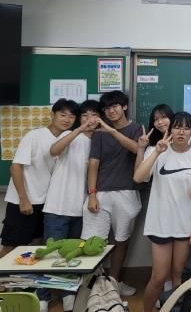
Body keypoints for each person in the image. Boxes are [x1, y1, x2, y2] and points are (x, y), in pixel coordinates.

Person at [134, 112, 191, 312]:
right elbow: (138, 177)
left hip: (185, 224)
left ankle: (175, 308)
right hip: (160, 223)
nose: (181, 132)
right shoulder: (157, 151)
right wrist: (156, 152)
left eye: (186, 128)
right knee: (158, 277)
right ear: (170, 129)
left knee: (178, 274)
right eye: (177, 127)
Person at [39, 100, 100, 311]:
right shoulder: (70, 135)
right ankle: (43, 297)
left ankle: (68, 294)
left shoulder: (100, 141)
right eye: (85, 115)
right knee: (50, 254)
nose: (90, 119)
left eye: (94, 115)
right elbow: (54, 150)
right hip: (58, 207)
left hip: (82, 210)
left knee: (74, 256)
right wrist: (79, 130)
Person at [81, 90, 142, 297]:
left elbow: (137, 149)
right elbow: (93, 165)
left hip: (127, 193)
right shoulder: (99, 134)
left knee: (121, 240)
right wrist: (91, 194)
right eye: (106, 108)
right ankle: (93, 287)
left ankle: (114, 283)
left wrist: (111, 130)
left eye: (115, 106)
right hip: (100, 194)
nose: (111, 111)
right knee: (91, 242)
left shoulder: (136, 128)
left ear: (124, 106)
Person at [0, 99, 78, 259]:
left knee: (37, 246)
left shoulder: (69, 139)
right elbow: (15, 167)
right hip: (23, 201)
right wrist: (23, 199)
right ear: (52, 115)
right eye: (63, 115)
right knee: (10, 247)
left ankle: (27, 276)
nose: (67, 119)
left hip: (46, 204)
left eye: (71, 116)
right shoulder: (34, 136)